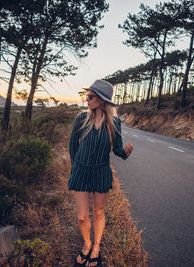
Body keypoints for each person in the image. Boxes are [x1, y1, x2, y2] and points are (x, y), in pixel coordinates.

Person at [68, 79, 133, 266]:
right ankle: (86, 243)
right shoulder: (81, 118)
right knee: (82, 216)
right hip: (81, 170)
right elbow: (73, 145)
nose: (87, 99)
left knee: (98, 212)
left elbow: (118, 149)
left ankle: (96, 247)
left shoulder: (115, 122)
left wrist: (126, 152)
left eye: (91, 96)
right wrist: (75, 168)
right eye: (86, 95)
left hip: (101, 172)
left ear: (102, 100)